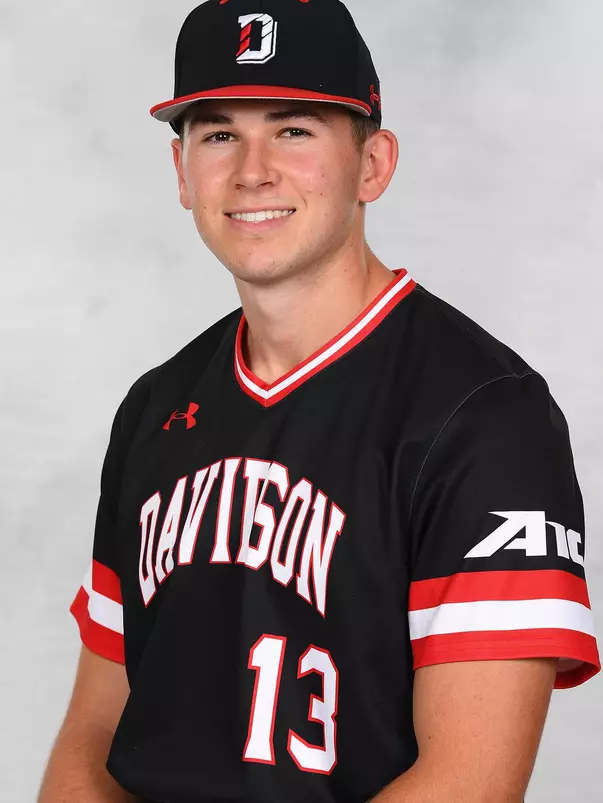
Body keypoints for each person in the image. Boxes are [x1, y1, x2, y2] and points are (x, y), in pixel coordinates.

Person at [38, 1, 600, 802]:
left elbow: (469, 783)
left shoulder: (484, 415)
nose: (252, 170)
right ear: (181, 171)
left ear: (372, 163)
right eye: (220, 133)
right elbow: (90, 740)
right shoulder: (155, 407)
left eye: (294, 129)